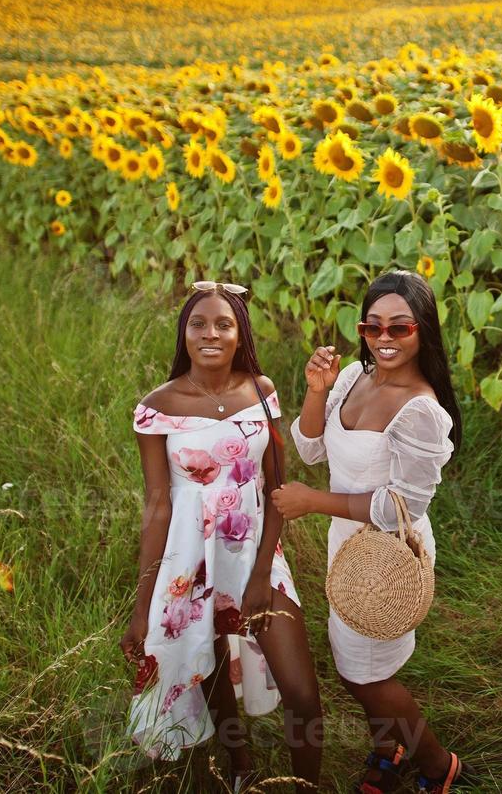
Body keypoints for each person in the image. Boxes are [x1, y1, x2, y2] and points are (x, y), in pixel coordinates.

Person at [272, 269, 475, 793]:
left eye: (400, 328)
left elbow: (400, 505)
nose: (384, 339)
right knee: (354, 662)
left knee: (366, 675)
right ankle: (390, 747)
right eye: (372, 327)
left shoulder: (421, 411)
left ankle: (437, 766)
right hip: (350, 546)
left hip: (387, 554)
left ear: (423, 331)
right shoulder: (354, 377)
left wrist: (312, 502)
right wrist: (316, 391)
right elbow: (313, 448)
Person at [122, 279, 323, 791]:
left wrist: (260, 574)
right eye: (198, 323)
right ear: (183, 333)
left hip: (256, 554)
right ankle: (240, 769)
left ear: (240, 334)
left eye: (223, 324)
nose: (210, 333)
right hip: (188, 561)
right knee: (210, 668)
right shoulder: (157, 407)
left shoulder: (261, 390)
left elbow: (276, 487)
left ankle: (307, 787)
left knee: (302, 694)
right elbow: (158, 505)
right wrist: (142, 605)